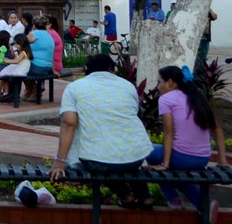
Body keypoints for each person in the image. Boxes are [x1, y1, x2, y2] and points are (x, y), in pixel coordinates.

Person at [48, 54, 155, 208]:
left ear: (87, 70)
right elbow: (135, 116)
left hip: (98, 161)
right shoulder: (127, 86)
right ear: (112, 69)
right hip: (137, 157)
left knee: (97, 157)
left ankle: (125, 195)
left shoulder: (75, 87)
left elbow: (68, 124)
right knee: (122, 155)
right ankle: (144, 197)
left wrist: (60, 161)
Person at [147, 66, 228, 210]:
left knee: (149, 151)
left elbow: (168, 132)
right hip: (202, 158)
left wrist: (164, 164)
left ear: (170, 82)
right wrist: (222, 160)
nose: (158, 86)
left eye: (160, 82)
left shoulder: (166, 99)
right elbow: (217, 129)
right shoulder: (197, 98)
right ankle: (203, 205)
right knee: (176, 174)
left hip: (183, 158)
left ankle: (174, 199)